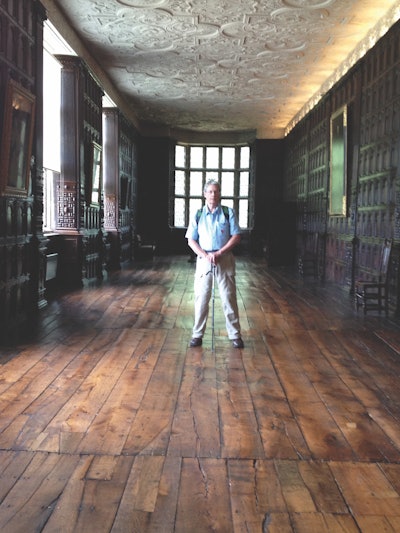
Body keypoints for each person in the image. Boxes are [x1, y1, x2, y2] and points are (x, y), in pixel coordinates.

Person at [185, 179, 244, 349]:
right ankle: (197, 335)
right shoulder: (198, 214)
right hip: (204, 259)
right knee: (202, 298)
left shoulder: (228, 212)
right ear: (204, 194)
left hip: (224, 258)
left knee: (228, 297)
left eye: (216, 191)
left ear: (219, 194)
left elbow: (236, 236)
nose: (213, 194)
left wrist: (220, 252)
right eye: (210, 191)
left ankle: (235, 335)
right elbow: (191, 240)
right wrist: (205, 255)